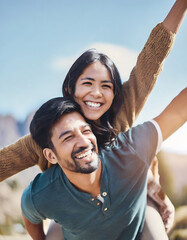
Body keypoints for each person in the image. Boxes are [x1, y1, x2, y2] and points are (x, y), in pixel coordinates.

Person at [0, 0, 187, 238]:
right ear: (70, 87)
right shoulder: (47, 134)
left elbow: (152, 58)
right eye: (87, 83)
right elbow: (3, 163)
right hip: (74, 212)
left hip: (133, 198)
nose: (96, 93)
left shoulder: (123, 109)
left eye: (106, 86)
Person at [21, 88, 187, 240]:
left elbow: (178, 112)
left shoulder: (128, 150)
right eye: (68, 137)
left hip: (137, 226)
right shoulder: (42, 193)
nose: (84, 142)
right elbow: (29, 214)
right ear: (51, 156)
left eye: (86, 131)